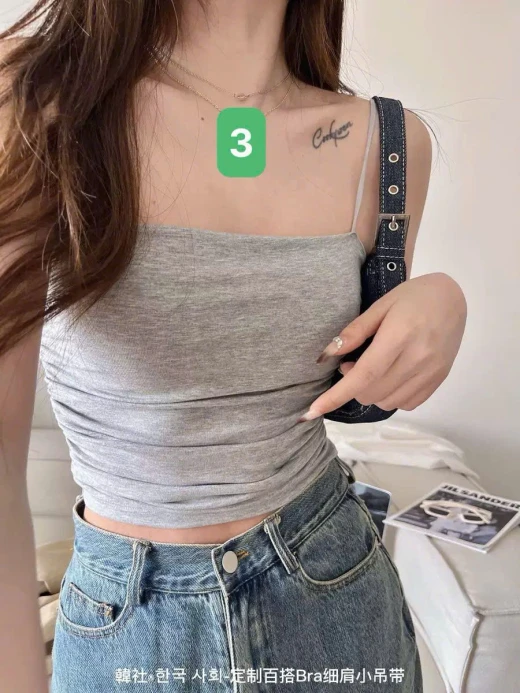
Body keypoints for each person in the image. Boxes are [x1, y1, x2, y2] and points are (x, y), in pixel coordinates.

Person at [0, 1, 467, 691]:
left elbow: (355, 389)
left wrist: (443, 299)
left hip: (335, 594)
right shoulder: (34, 101)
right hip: (127, 629)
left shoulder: (389, 144)